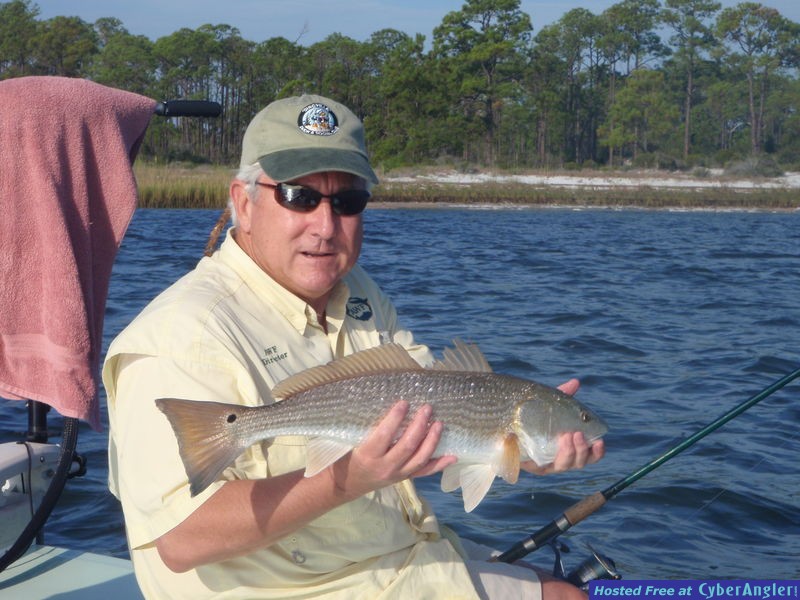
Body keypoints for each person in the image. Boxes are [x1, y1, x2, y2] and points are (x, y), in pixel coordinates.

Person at [103, 94, 605, 599]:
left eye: (348, 201)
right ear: (244, 203)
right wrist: (349, 478)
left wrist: (523, 452)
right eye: (299, 196)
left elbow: (442, 405)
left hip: (393, 554)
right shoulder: (181, 336)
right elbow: (180, 541)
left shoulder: (354, 289)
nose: (326, 226)